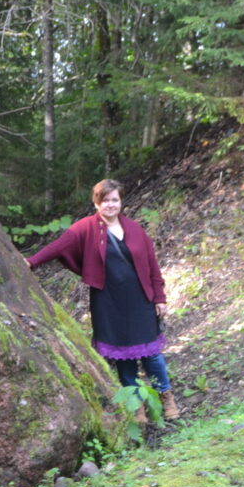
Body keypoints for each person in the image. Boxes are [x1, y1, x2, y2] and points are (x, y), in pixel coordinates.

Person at [26, 178, 179, 427]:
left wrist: (160, 297)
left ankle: (166, 397)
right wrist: (31, 262)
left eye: (115, 200)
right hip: (108, 302)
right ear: (96, 202)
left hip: (141, 298)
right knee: (123, 358)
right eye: (105, 200)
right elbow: (58, 246)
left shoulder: (135, 229)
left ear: (121, 202)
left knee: (152, 355)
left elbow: (152, 264)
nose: (110, 205)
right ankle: (136, 405)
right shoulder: (85, 227)